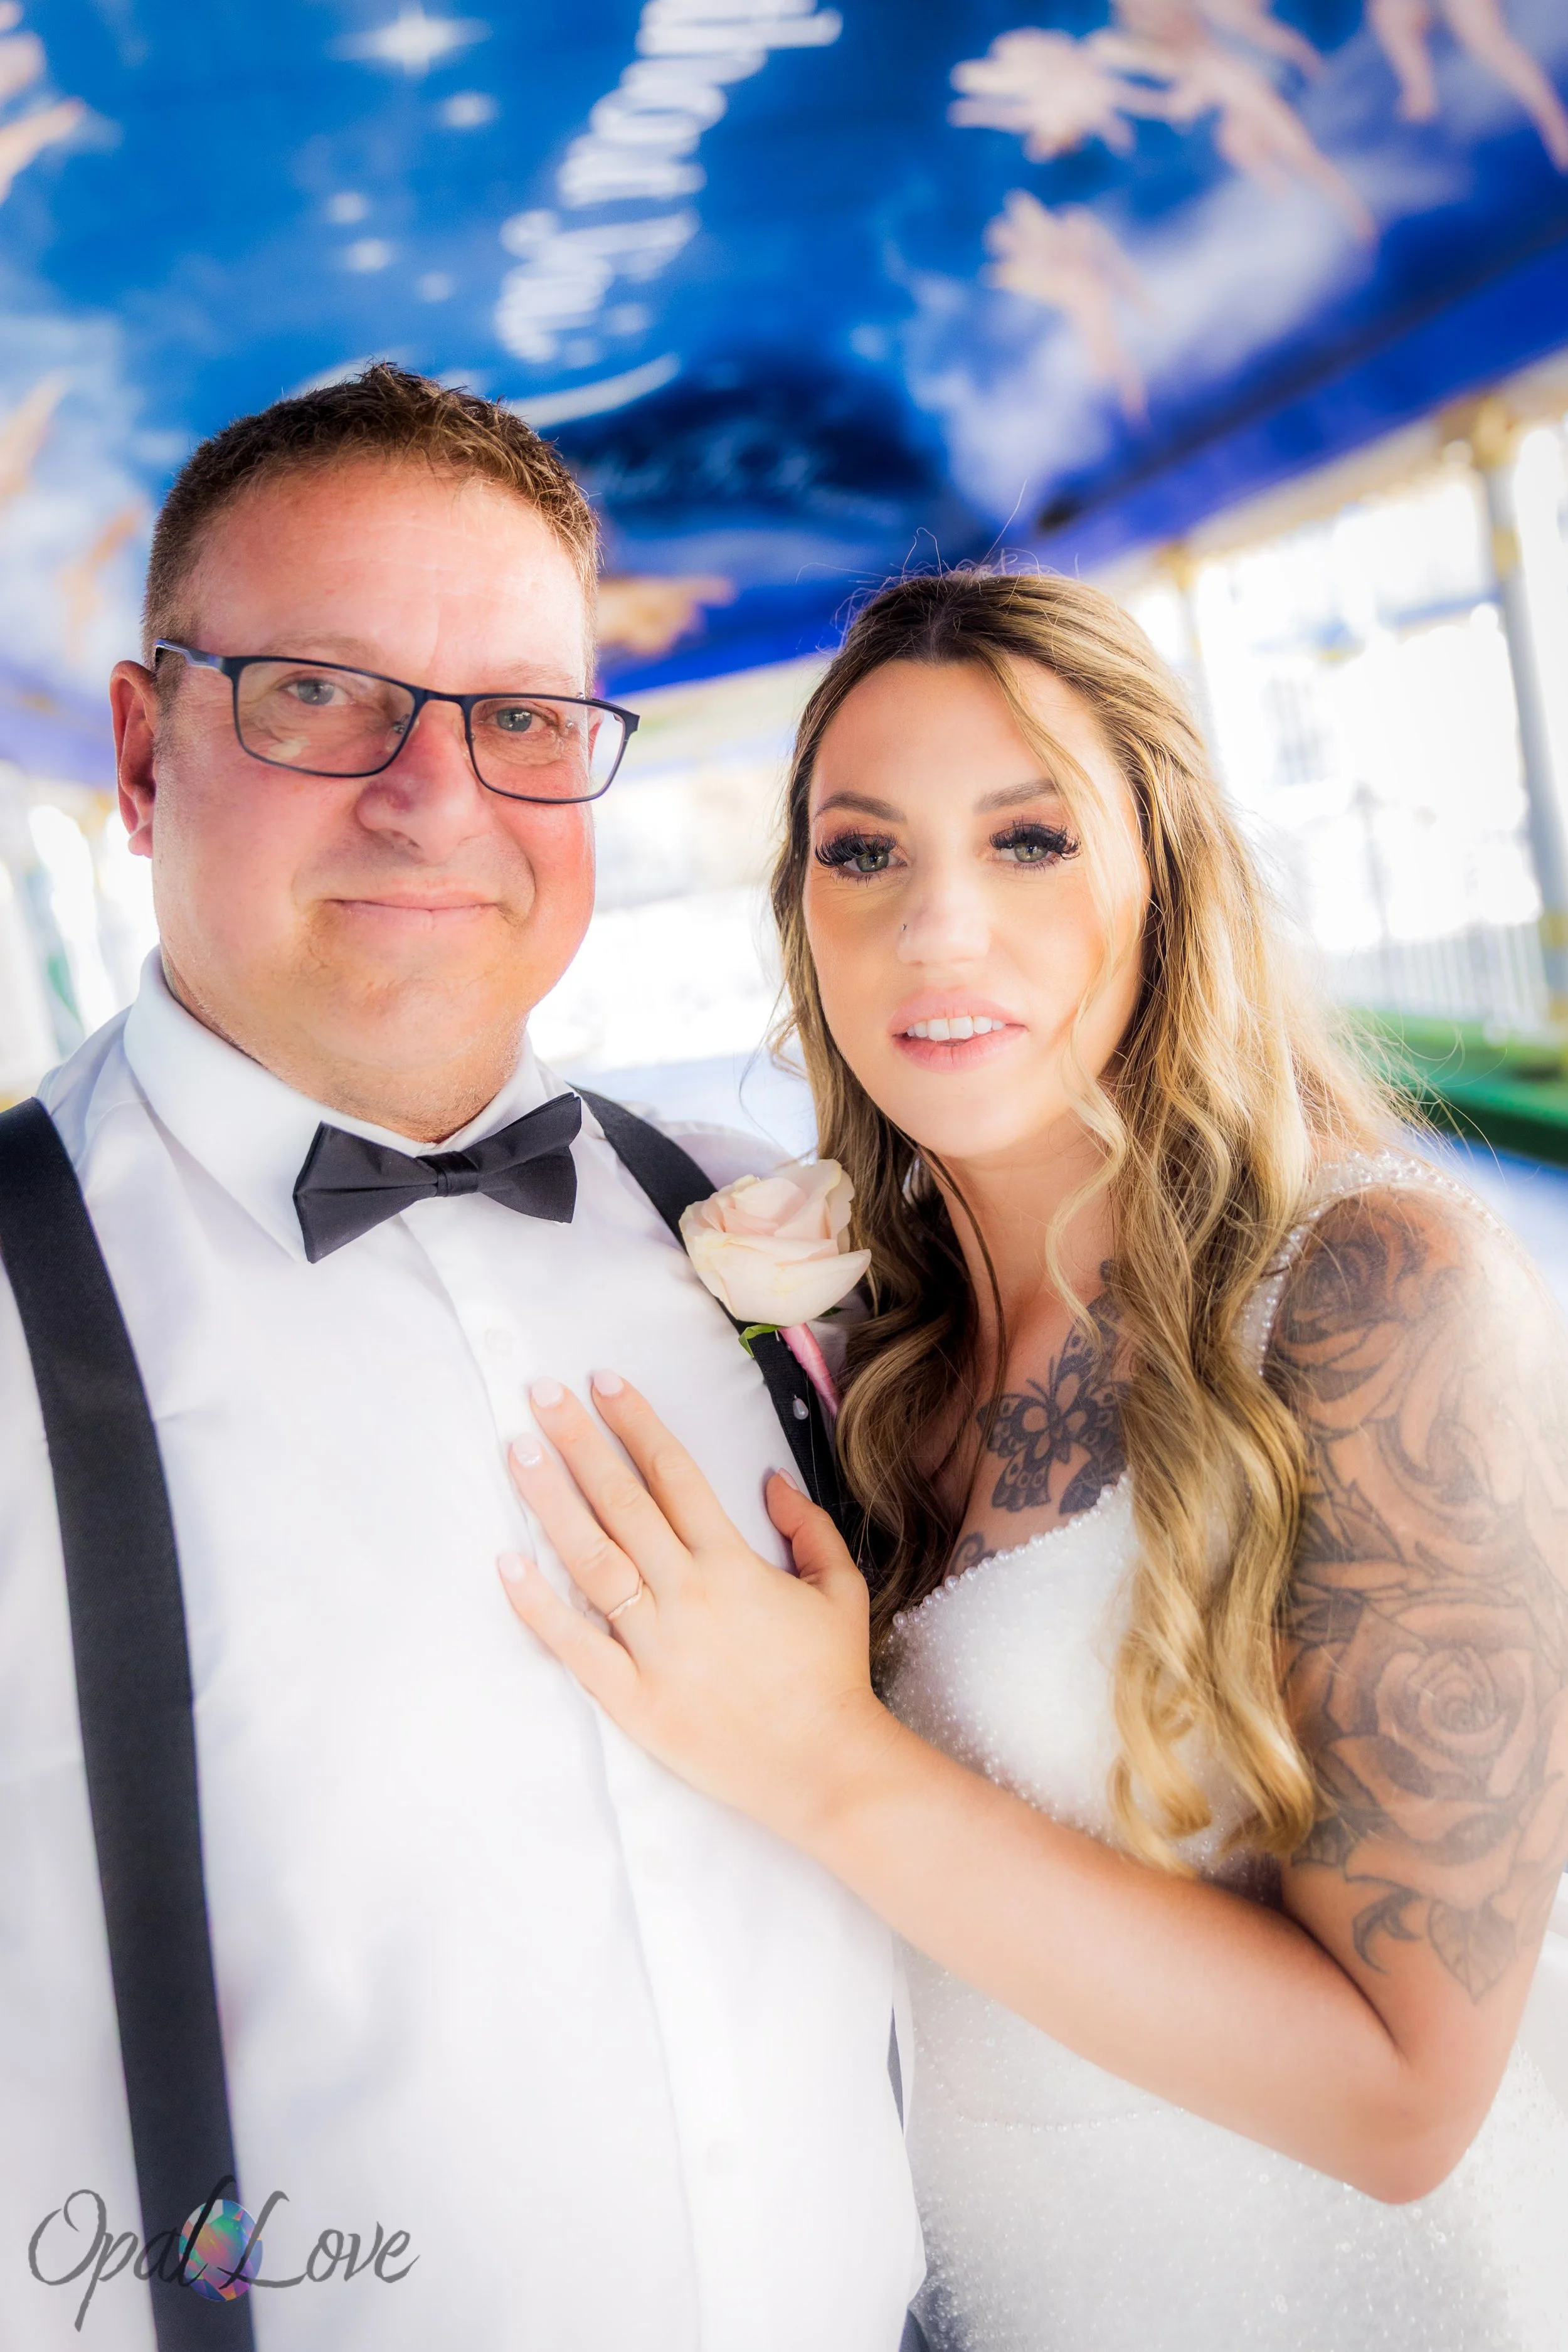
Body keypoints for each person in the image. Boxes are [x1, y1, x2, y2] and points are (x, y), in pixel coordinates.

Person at [499, 568, 1568, 2351]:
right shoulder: (872, 1360)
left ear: (1164, 871)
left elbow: (1401, 2094)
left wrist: (824, 1758)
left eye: (1027, 839)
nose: (937, 930)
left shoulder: (1372, 1292)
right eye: (862, 851)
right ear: (802, 915)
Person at [0, 366, 923, 2349]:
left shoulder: (778, 1230)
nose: (435, 798)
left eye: (517, 716)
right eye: (319, 693)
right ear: (145, 757)